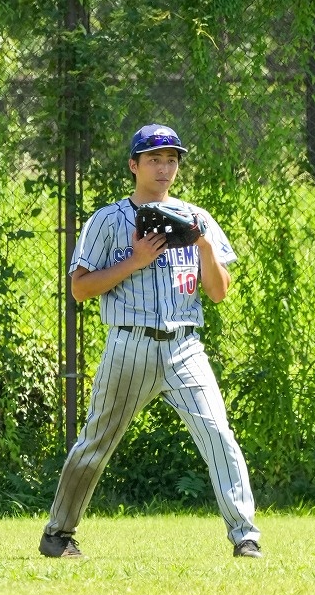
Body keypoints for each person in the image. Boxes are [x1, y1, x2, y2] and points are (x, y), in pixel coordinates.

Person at [39, 123, 262, 559]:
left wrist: (202, 244)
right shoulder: (108, 220)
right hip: (130, 344)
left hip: (185, 346)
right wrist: (135, 260)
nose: (164, 168)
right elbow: (80, 288)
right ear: (134, 165)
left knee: (218, 435)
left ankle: (245, 536)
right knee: (96, 443)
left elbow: (218, 292)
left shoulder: (197, 218)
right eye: (154, 159)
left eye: (171, 160)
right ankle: (58, 534)